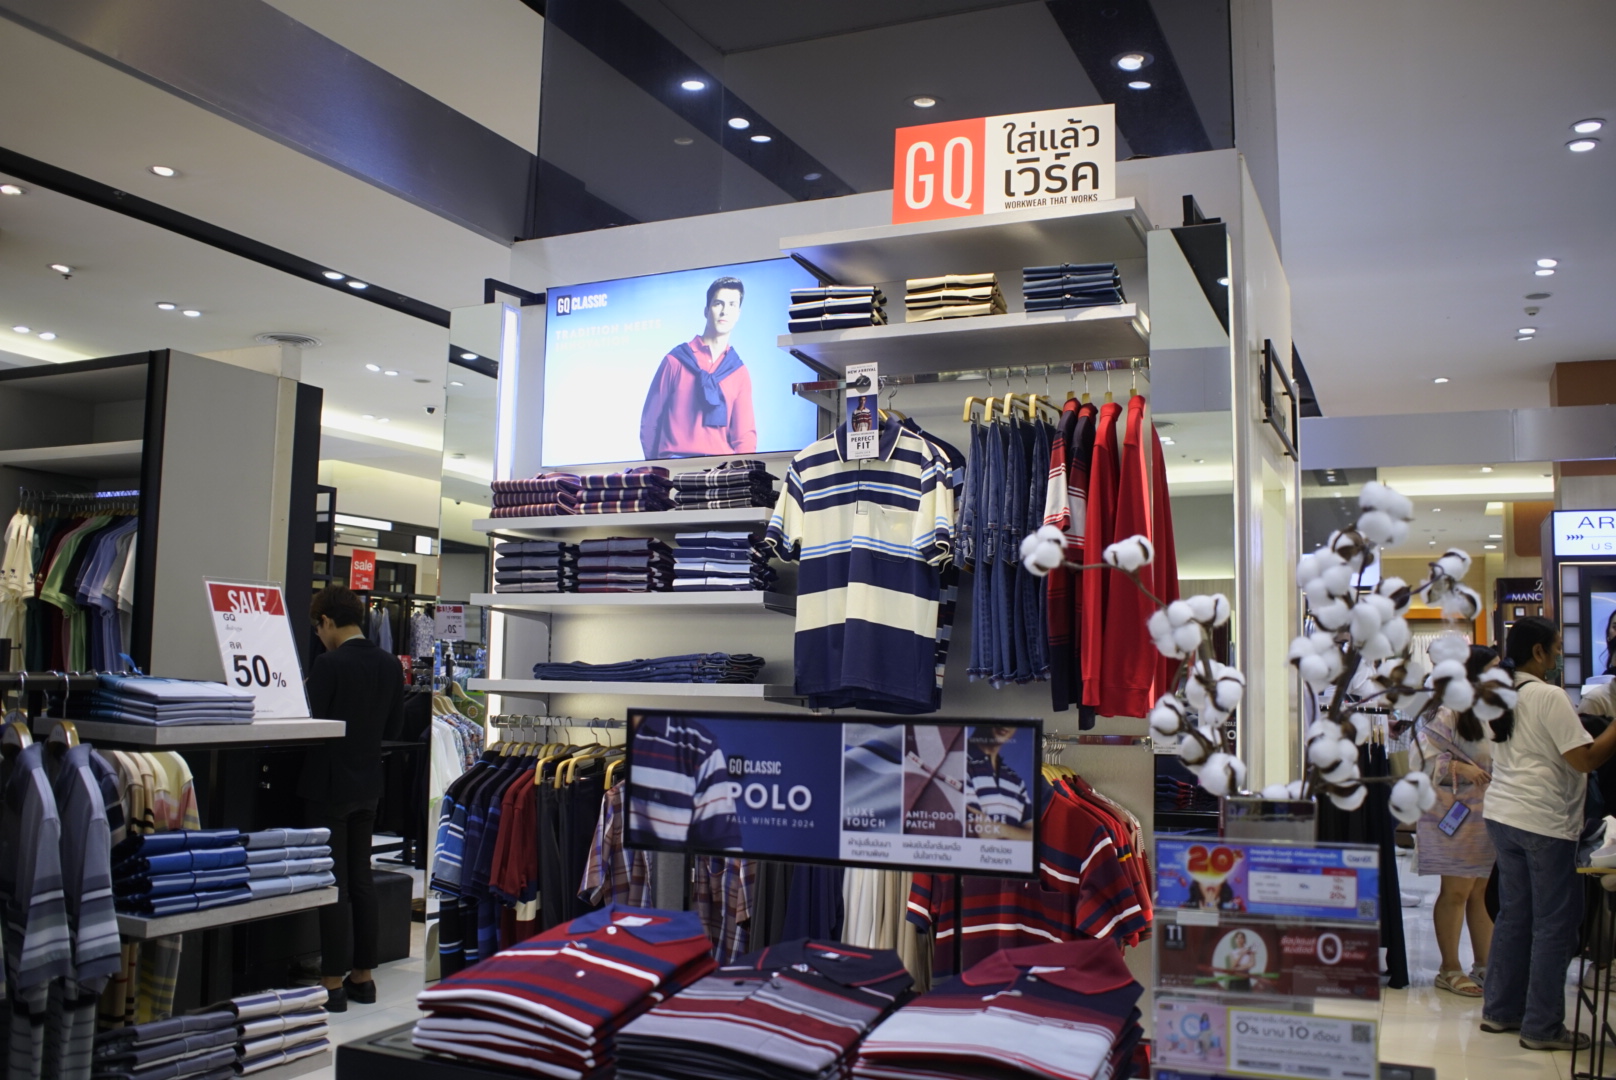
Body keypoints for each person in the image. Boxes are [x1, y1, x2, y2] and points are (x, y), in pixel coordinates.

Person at [1482, 616, 1616, 1051]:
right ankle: (1542, 1026)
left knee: (1515, 915)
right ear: (1538, 652)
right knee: (1555, 923)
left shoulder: (1498, 694)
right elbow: (1584, 759)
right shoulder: (1548, 695)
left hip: (1503, 814)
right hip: (1544, 819)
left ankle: (1500, 1011)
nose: (1559, 656)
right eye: (1556, 648)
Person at [301, 586, 404, 1011]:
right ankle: (363, 977)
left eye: (318, 628)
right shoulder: (390, 664)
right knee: (362, 879)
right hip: (368, 784)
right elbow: (394, 727)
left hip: (329, 784)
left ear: (326, 621)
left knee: (334, 883)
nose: (319, 636)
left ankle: (331, 982)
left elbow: (311, 723)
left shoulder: (328, 664)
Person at [1417, 645, 1499, 998]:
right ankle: (1449, 967)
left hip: (1487, 812)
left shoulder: (1493, 709)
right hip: (1453, 812)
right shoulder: (1448, 712)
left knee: (1479, 890)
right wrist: (1458, 767)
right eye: (1492, 667)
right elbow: (1421, 759)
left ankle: (1485, 963)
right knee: (1456, 891)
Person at [639, 276, 757, 459]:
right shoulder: (675, 361)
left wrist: (742, 473)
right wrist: (658, 469)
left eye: (732, 305)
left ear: (738, 314)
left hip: (722, 470)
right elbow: (649, 423)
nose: (724, 311)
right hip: (675, 466)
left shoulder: (739, 372)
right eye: (718, 303)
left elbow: (744, 437)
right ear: (706, 310)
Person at [964, 726, 1033, 841]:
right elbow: (978, 833)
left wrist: (998, 830)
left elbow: (1033, 836)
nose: (1006, 725)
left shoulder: (1016, 781)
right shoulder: (960, 764)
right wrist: (1018, 834)